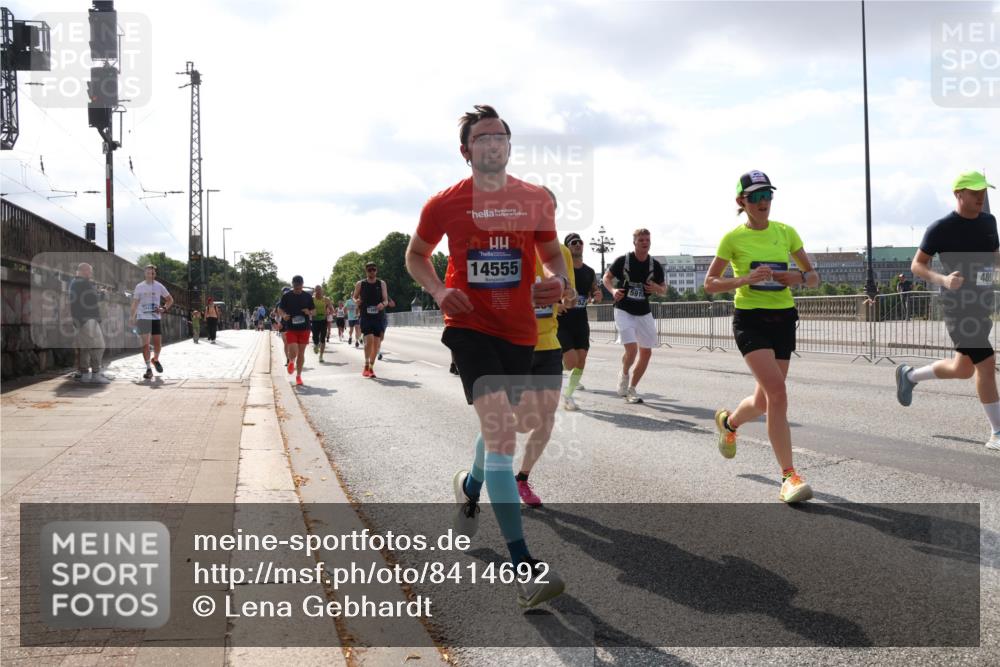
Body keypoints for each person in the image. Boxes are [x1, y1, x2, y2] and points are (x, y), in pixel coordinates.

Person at [405, 104, 570, 608]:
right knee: (501, 434)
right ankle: (525, 568)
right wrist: (437, 290)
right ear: (466, 151)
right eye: (482, 137)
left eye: (500, 136)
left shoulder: (535, 199)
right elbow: (415, 255)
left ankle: (470, 484)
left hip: (519, 330)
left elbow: (552, 254)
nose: (493, 144)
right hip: (469, 326)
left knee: (504, 427)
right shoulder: (443, 204)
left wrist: (558, 281)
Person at [704, 170, 820, 503]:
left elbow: (813, 278)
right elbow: (710, 284)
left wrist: (792, 277)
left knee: (762, 400)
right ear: (742, 202)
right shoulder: (733, 239)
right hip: (750, 320)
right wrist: (745, 279)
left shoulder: (786, 232)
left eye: (768, 194)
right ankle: (789, 477)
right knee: (778, 394)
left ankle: (729, 422)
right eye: (755, 196)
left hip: (783, 318)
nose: (763, 201)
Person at [896, 171, 999, 452]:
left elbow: (994, 256)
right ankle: (997, 433)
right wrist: (943, 280)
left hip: (982, 303)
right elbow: (917, 265)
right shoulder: (941, 227)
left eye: (984, 192)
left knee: (963, 369)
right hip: (957, 307)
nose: (981, 197)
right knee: (986, 363)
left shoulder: (990, 221)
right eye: (975, 192)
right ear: (959, 194)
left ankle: (909, 376)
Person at [513, 189, 576, 507]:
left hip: (550, 342)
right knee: (524, 421)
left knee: (546, 419)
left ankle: (521, 479)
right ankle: (487, 462)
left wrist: (564, 297)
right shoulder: (512, 248)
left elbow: (571, 296)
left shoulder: (561, 252)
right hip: (516, 344)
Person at [602, 229, 667, 404]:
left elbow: (664, 289)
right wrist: (613, 290)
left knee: (646, 352)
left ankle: (632, 388)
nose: (645, 242)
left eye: (647, 240)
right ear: (635, 243)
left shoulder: (655, 265)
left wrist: (657, 289)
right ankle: (624, 375)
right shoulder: (623, 260)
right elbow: (606, 278)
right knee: (632, 350)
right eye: (641, 240)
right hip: (623, 309)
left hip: (644, 311)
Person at [558, 233, 601, 410]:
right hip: (563, 321)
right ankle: (552, 367)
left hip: (581, 321)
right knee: (570, 362)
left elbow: (594, 291)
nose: (577, 245)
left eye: (580, 242)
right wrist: (556, 304)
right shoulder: (561, 271)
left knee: (581, 360)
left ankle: (568, 395)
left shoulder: (589, 271)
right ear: (567, 248)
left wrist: (597, 295)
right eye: (573, 243)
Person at [129, 264, 174, 380]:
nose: (150, 275)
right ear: (145, 274)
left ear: (155, 274)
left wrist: (163, 308)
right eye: (148, 272)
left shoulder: (159, 286)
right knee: (146, 344)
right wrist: (132, 316)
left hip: (155, 318)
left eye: (153, 273)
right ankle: (148, 369)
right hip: (143, 317)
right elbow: (135, 302)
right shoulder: (139, 286)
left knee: (158, 344)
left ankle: (155, 360)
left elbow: (170, 300)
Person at [68, 262, 110, 384]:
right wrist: (102, 294)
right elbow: (93, 298)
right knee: (98, 346)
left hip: (80, 320)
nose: (91, 274)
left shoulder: (75, 283)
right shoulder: (83, 283)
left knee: (85, 348)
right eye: (90, 271)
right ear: (84, 271)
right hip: (88, 319)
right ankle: (96, 374)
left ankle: (84, 374)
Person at [278, 276, 315, 386]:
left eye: (299, 286)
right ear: (292, 284)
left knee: (301, 353)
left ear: (302, 284)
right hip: (291, 328)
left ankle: (298, 376)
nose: (298, 288)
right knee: (293, 351)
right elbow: (280, 309)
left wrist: (309, 312)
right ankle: (291, 361)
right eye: (295, 286)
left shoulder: (307, 296)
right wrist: (284, 315)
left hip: (305, 328)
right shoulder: (287, 296)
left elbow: (314, 311)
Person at [353, 262, 389, 377]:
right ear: (366, 271)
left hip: (378, 317)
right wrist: (356, 301)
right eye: (369, 270)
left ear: (376, 270)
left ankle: (371, 368)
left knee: (377, 344)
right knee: (369, 340)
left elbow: (386, 300)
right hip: (366, 316)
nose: (372, 272)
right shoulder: (360, 284)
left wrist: (383, 304)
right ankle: (366, 363)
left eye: (374, 269)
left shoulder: (381, 283)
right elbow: (354, 297)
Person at [311, 284, 332, 361]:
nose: (318, 291)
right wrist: (310, 312)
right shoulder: (312, 299)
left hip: (323, 320)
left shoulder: (326, 299)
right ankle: (316, 344)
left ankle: (321, 356)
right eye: (316, 290)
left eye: (319, 290)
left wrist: (330, 312)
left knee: (323, 338)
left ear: (322, 291)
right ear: (314, 291)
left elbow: (331, 308)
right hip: (314, 320)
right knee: (315, 337)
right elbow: (308, 308)